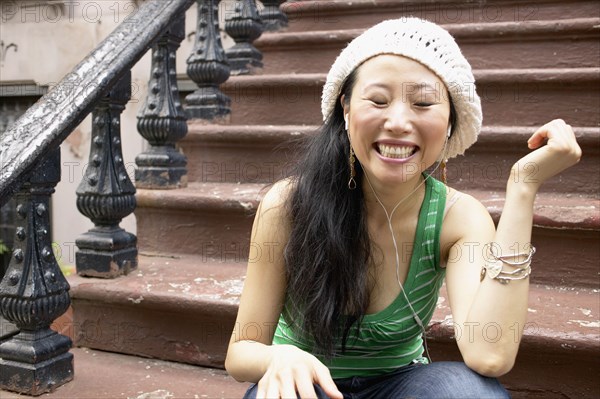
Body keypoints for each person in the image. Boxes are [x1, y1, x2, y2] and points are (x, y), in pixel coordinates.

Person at [224, 17, 581, 399]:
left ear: (449, 123)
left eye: (423, 103)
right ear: (345, 109)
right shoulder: (288, 205)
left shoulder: (456, 218)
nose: (397, 122)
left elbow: (489, 353)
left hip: (402, 385)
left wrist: (523, 188)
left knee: (470, 392)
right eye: (377, 101)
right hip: (302, 385)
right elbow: (240, 353)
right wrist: (278, 359)